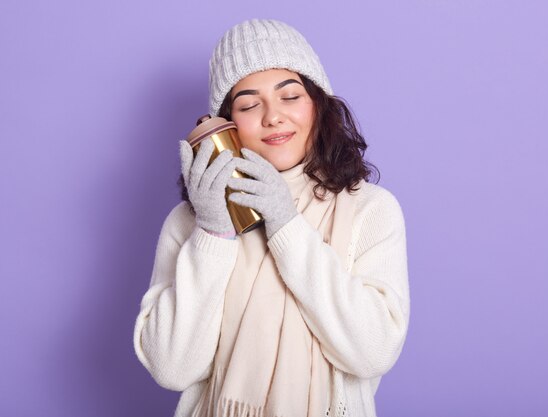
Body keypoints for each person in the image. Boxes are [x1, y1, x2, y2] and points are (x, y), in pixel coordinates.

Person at [133, 18, 410, 417]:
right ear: (227, 125)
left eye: (290, 96)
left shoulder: (371, 209)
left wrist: (287, 225)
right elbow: (171, 368)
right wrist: (212, 233)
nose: (272, 117)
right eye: (248, 104)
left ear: (319, 105)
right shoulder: (189, 222)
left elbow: (373, 352)